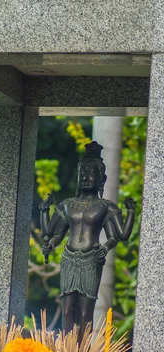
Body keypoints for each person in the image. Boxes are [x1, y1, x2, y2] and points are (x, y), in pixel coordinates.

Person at [40, 141, 136, 339]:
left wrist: (131, 213)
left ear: (102, 179)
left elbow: (118, 236)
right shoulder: (68, 204)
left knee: (85, 311)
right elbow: (52, 232)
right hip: (69, 258)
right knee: (67, 310)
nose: (85, 177)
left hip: (91, 258)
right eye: (82, 173)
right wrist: (44, 212)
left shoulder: (105, 206)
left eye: (91, 173)